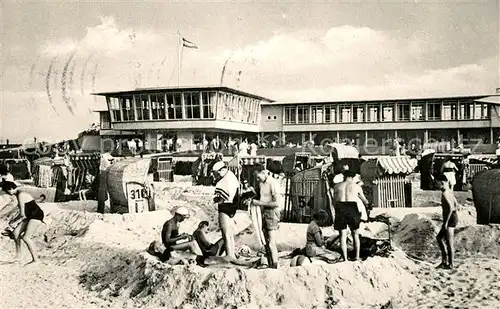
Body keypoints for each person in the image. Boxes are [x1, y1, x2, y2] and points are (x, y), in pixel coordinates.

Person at [2, 181, 44, 265]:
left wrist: (12, 221)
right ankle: (19, 256)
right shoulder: (19, 193)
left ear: (10, 189)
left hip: (36, 216)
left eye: (7, 191)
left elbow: (22, 214)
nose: (8, 194)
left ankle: (36, 260)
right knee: (16, 233)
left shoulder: (21, 195)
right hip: (30, 216)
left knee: (26, 238)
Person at [332, 169, 370, 261]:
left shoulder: (337, 186)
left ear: (344, 176)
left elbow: (334, 202)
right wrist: (367, 204)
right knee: (355, 234)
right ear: (352, 177)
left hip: (340, 208)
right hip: (352, 208)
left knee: (342, 235)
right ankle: (357, 257)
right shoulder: (356, 186)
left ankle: (345, 259)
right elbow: (365, 201)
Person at [250, 164, 282, 269]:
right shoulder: (262, 184)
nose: (257, 179)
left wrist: (258, 203)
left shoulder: (273, 183)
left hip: (272, 213)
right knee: (265, 241)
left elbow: (276, 203)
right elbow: (262, 198)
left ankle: (276, 265)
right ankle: (270, 263)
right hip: (264, 212)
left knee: (271, 241)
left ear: (263, 172)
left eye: (258, 176)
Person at [212, 161, 240, 260]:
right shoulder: (232, 176)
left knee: (226, 234)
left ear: (223, 169)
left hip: (225, 207)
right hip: (232, 206)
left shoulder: (224, 181)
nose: (217, 175)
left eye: (217, 172)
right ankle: (232, 254)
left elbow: (222, 197)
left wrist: (216, 200)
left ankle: (229, 256)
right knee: (230, 234)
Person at [435, 174, 459, 270]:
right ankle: (444, 261)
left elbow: (451, 208)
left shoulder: (445, 194)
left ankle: (451, 264)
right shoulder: (449, 191)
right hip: (452, 217)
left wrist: (446, 222)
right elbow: (457, 205)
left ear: (442, 183)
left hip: (450, 219)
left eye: (437, 183)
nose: (436, 185)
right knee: (439, 238)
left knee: (449, 242)